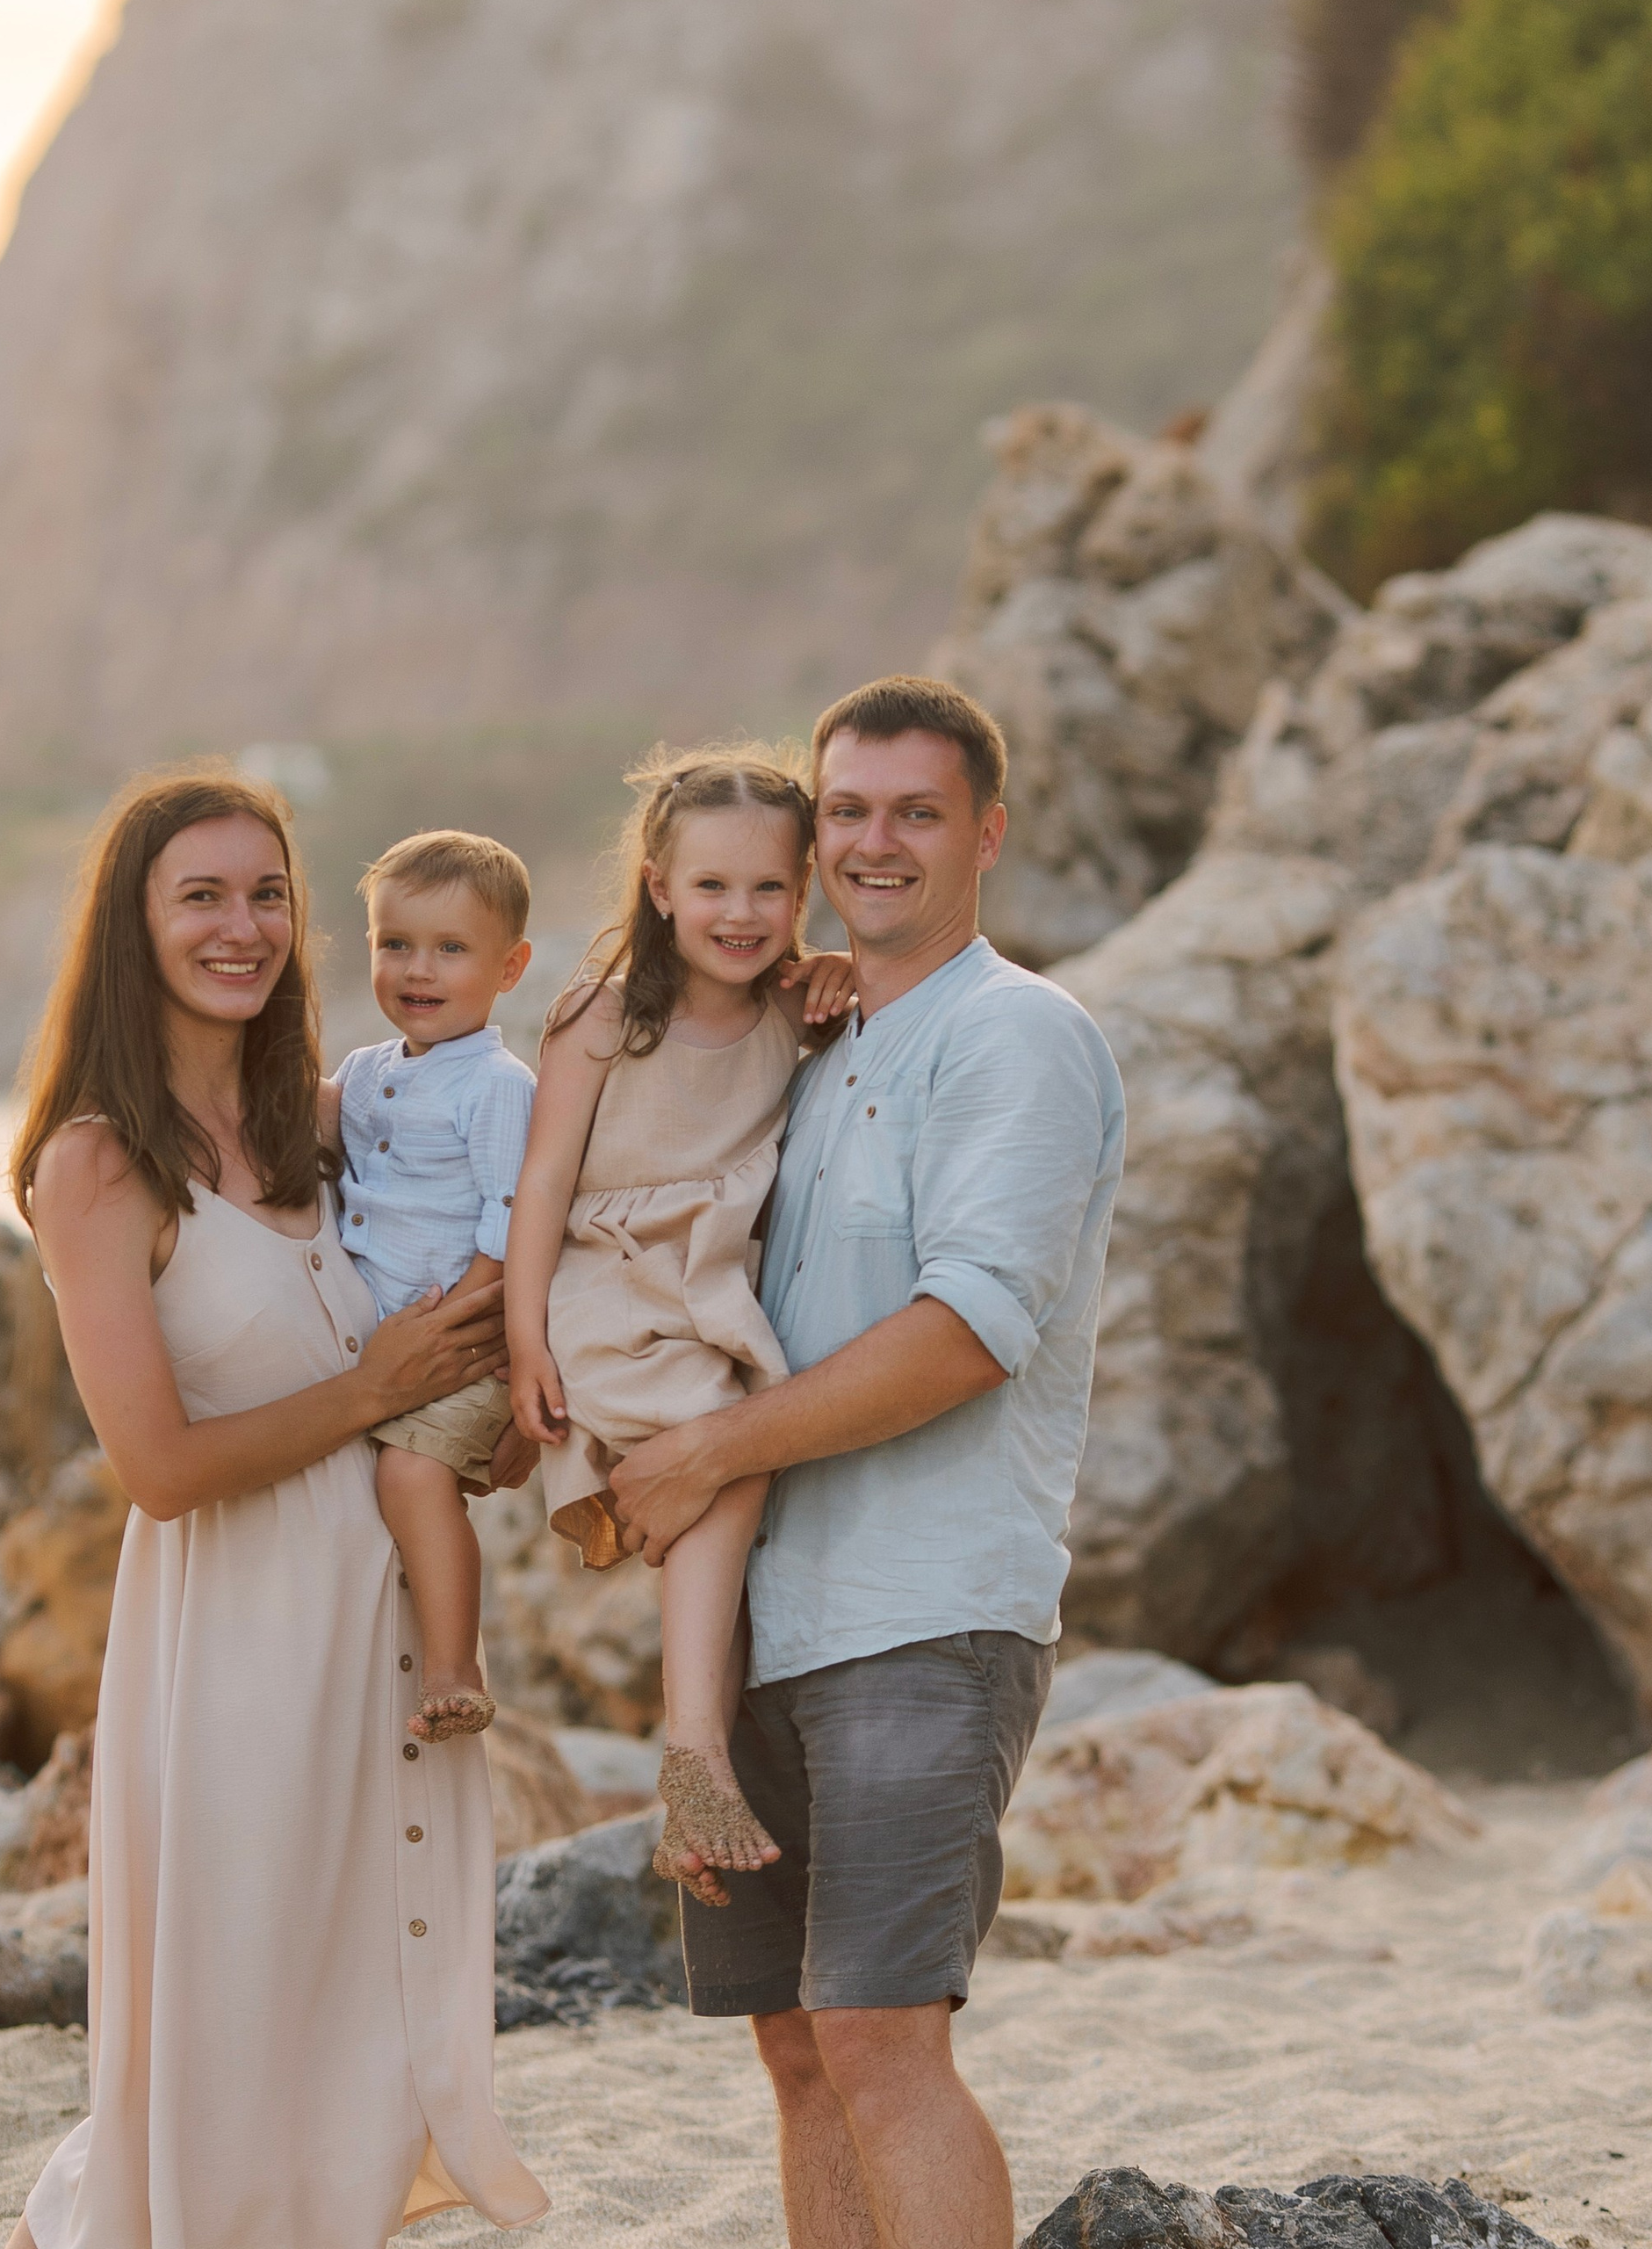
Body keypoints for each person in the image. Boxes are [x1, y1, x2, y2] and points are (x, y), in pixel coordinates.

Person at [604, 679, 1127, 2249]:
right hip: (767, 1624)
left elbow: (969, 1333)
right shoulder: (814, 1040)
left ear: (988, 833)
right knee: (797, 2048)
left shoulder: (1019, 1037)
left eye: (918, 812)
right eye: (847, 811)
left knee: (883, 2038)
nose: (876, 842)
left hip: (926, 1616)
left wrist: (705, 1452)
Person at [4, 772, 547, 2249]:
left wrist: (489, 1415)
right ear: (133, 923)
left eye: (268, 896)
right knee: (235, 2004)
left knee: (358, 2008)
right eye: (201, 896)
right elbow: (159, 1470)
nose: (241, 927)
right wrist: (377, 1389)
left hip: (384, 1631)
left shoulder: (327, 1122)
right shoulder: (96, 1163)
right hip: (233, 1645)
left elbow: (532, 1157)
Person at [504, 746, 852, 1901]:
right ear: (659, 888)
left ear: (802, 890)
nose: (740, 913)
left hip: (709, 1293)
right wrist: (524, 1340)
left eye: (769, 888)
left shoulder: (792, 1012)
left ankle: (703, 1773)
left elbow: (873, 997)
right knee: (730, 1445)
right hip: (613, 1284)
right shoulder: (604, 1016)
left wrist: (838, 972)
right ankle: (691, 1750)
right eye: (711, 886)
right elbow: (542, 1184)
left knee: (742, 1454)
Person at [328, 829, 537, 1743]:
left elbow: (511, 1212)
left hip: (459, 1339)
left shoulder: (494, 1084)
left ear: (509, 967)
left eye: (451, 948)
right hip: (383, 1340)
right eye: (396, 944)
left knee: (414, 1477)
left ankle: (454, 1665)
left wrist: (464, 1323)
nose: (419, 968)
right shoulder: (366, 1070)